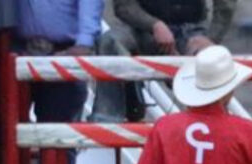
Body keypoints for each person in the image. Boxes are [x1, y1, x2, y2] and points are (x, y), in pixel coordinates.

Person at [92, 0, 236, 123]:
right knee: (110, 41)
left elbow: (226, 4)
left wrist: (211, 38)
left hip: (193, 31)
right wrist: (154, 25)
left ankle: (211, 121)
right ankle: (109, 115)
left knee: (209, 57)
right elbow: (123, 6)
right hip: (141, 31)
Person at [13, 0, 104, 164]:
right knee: (6, 132)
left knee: (58, 139)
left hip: (62, 53)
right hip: (16, 51)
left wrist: (84, 43)